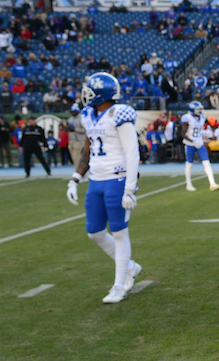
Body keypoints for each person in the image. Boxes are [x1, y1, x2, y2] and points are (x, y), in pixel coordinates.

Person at [65, 72, 143, 304]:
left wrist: (130, 188)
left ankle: (119, 286)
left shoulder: (118, 114)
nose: (85, 93)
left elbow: (132, 152)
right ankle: (129, 266)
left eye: (90, 89)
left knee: (119, 233)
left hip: (117, 179)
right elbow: (87, 150)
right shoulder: (88, 114)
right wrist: (75, 178)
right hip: (96, 180)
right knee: (95, 232)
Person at [181, 100, 219, 192]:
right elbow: (183, 134)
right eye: (198, 109)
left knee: (206, 162)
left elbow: (210, 123)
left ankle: (212, 183)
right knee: (189, 164)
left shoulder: (202, 117)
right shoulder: (187, 118)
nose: (199, 111)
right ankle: (188, 184)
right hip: (190, 143)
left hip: (199, 142)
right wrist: (192, 141)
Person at [19, 114, 52, 178]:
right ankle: (27, 173)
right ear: (29, 120)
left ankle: (48, 172)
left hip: (36, 146)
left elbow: (43, 139)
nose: (33, 121)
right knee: (26, 160)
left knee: (42, 159)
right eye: (31, 120)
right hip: (27, 146)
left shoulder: (39, 129)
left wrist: (45, 147)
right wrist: (21, 146)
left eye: (34, 120)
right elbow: (23, 138)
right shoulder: (26, 128)